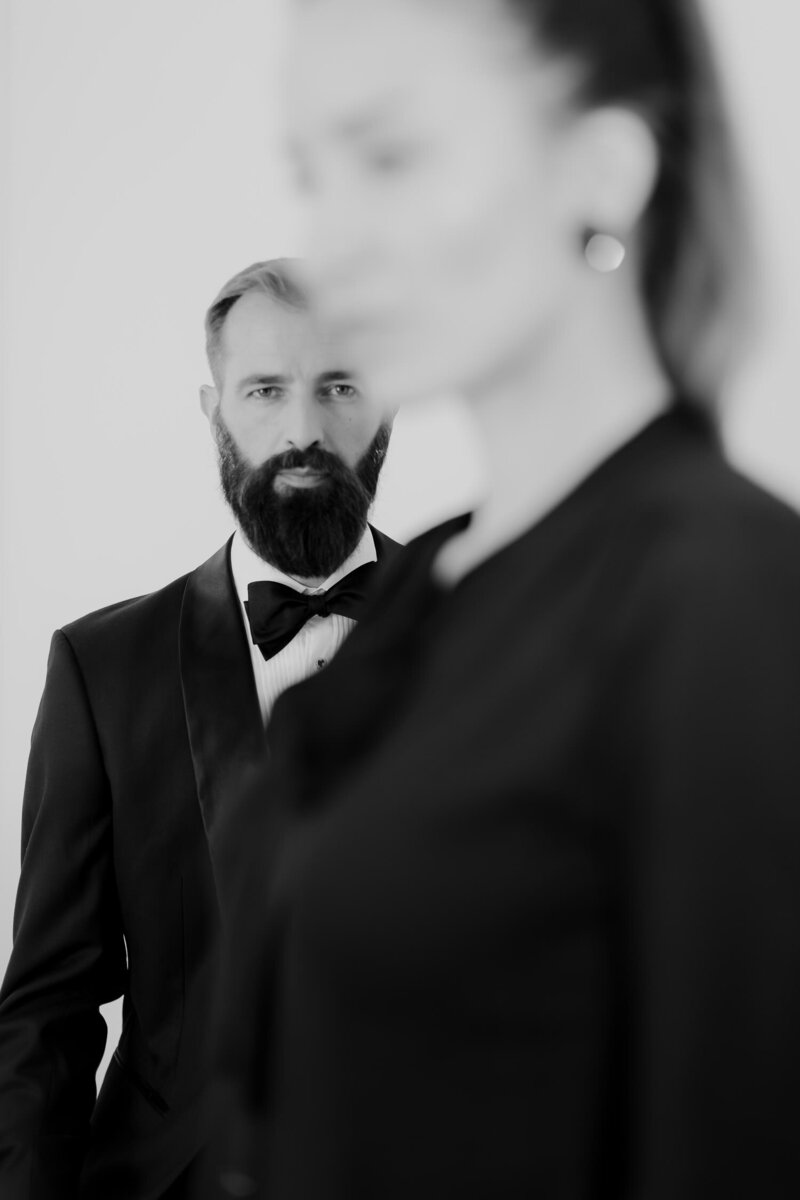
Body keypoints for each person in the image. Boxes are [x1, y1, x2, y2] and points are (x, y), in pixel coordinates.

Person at [220, 3, 800, 1198]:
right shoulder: (422, 590)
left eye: (389, 156)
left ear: (600, 167)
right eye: (310, 175)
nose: (333, 243)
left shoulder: (723, 593)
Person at [0, 258, 399, 1200]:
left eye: (338, 387)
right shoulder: (101, 669)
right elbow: (49, 1009)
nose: (303, 430)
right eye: (265, 390)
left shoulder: (491, 631)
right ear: (213, 410)